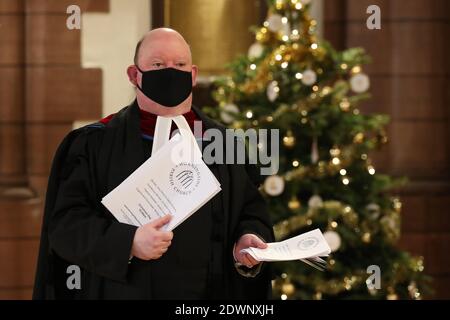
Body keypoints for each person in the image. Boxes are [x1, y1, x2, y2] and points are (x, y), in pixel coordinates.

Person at [33, 28, 274, 300]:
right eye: (158, 65)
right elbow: (66, 226)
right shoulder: (93, 144)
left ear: (193, 75)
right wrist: (128, 243)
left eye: (180, 65)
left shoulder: (223, 143)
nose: (170, 72)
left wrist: (246, 238)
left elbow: (251, 212)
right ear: (134, 75)